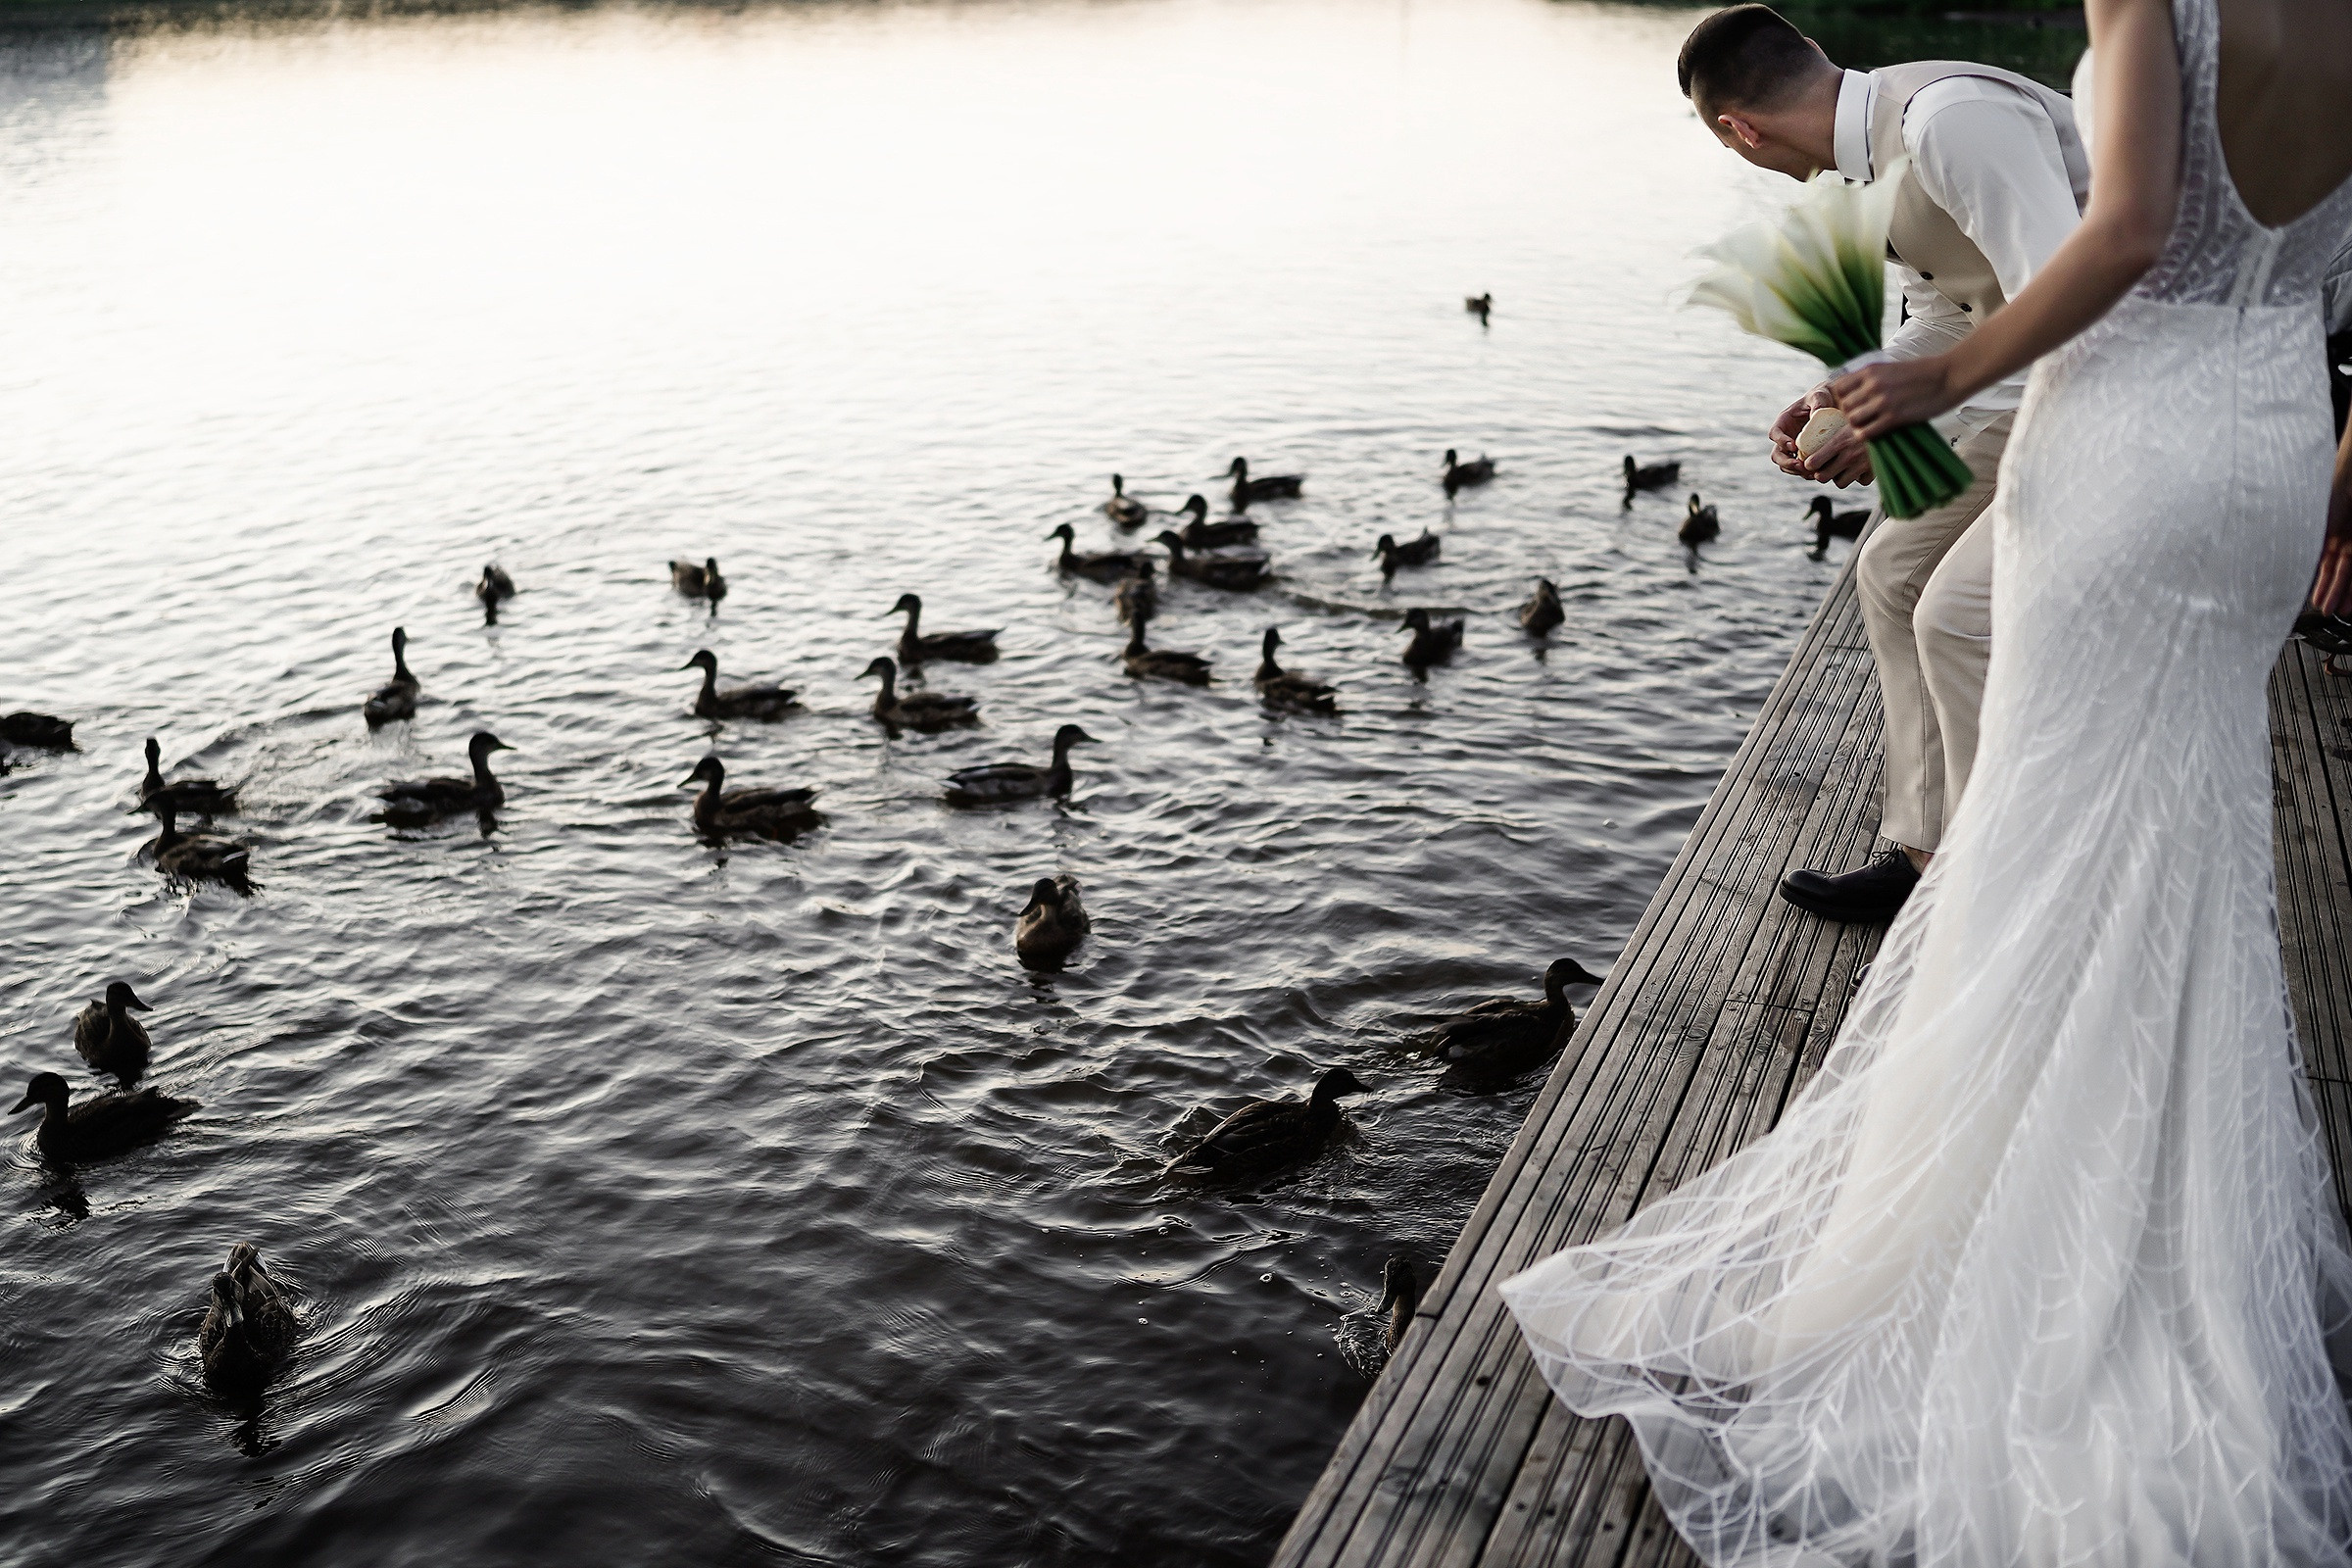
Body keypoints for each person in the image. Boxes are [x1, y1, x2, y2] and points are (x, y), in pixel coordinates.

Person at [1501, 0, 2352, 1558]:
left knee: (2045, 826)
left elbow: (2124, 236)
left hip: (2130, 448)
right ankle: (2170, 1233)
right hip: (2276, 442)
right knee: (2187, 839)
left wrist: (1933, 381)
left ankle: (2011, 1246)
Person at [1678, 7, 2090, 923]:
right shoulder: (1866, 162)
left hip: (2123, 383)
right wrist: (1852, 391)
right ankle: (1928, 851)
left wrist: (1908, 418)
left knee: (1954, 615)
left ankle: (2001, 873)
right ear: (1815, 55)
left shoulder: (1950, 122)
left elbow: (2068, 309)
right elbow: (1948, 314)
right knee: (1892, 569)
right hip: (2037, 390)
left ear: (1739, 132)